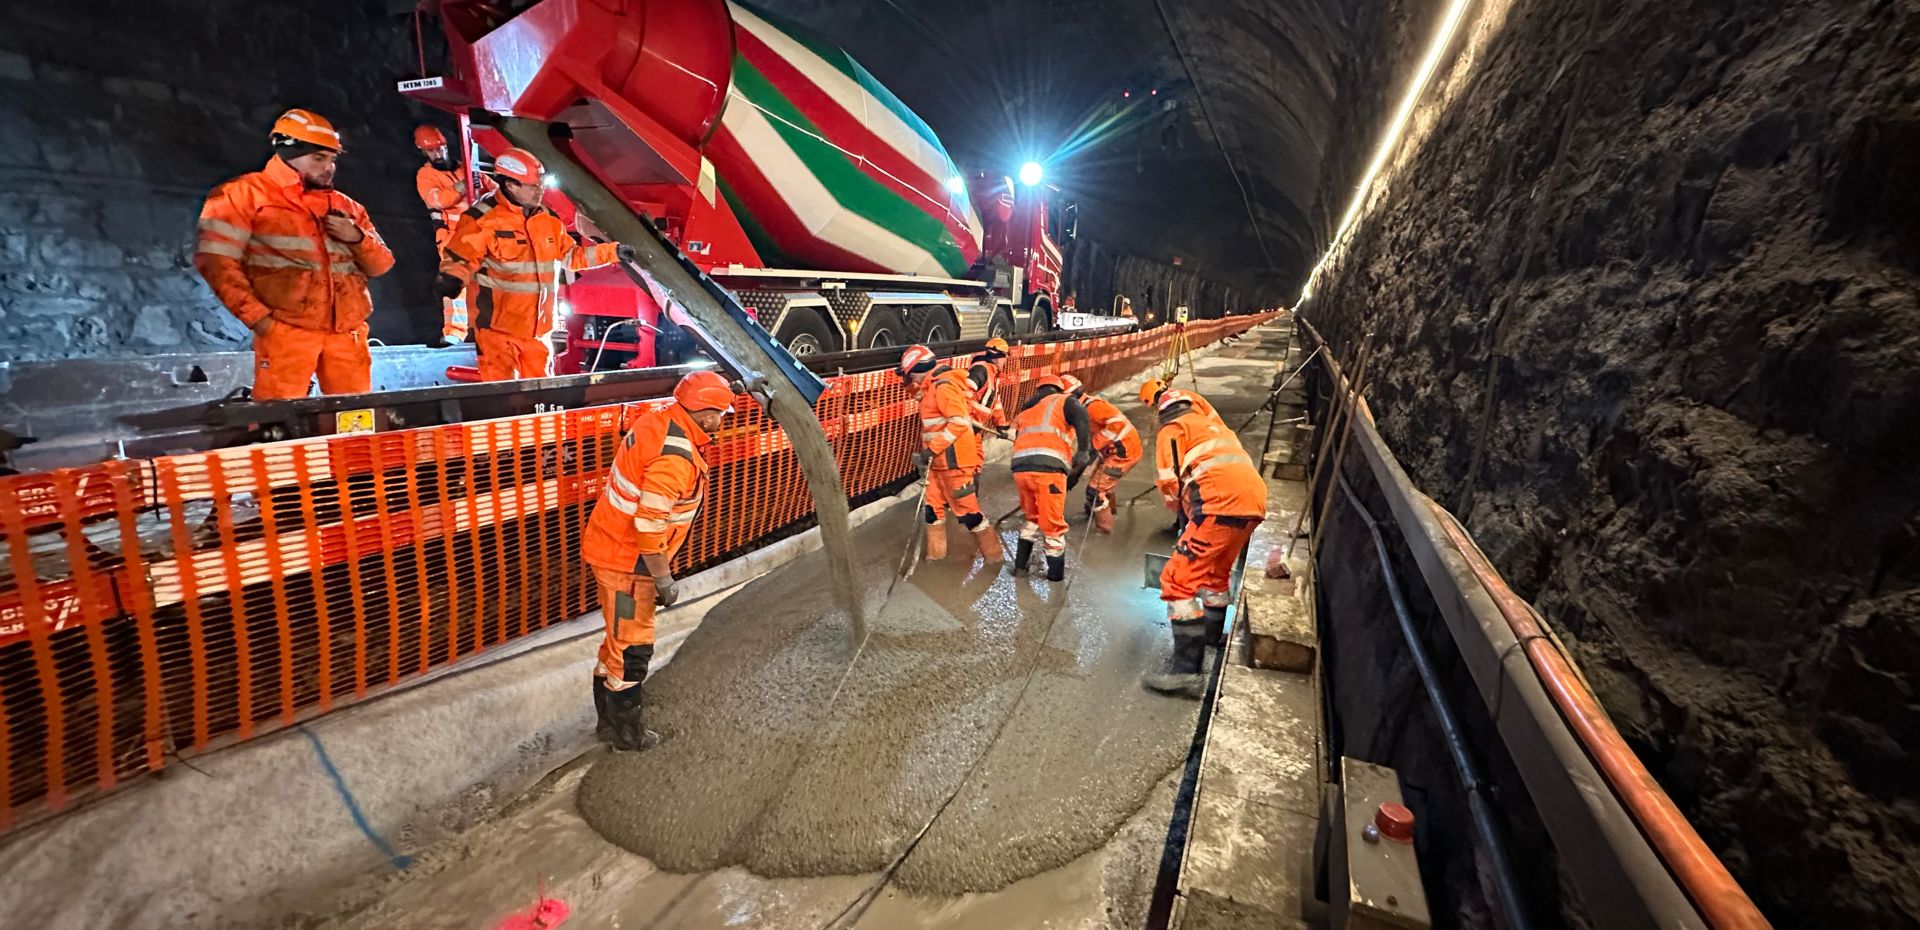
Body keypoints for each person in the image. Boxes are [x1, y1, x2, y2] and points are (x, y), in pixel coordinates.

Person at [579, 370, 735, 750]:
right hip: (629, 563)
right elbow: (649, 525)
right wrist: (663, 579)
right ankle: (627, 735)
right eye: (722, 413)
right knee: (633, 649)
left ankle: (606, 722)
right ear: (708, 416)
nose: (723, 421)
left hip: (610, 545)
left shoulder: (659, 421)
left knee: (617, 641)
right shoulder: (676, 459)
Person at [194, 108, 393, 401]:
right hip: (287, 331)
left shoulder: (347, 207)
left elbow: (381, 265)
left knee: (355, 421)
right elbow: (216, 262)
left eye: (332, 159)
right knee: (280, 421)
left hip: (347, 332)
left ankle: (347, 449)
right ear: (288, 153)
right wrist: (261, 321)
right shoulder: (241, 195)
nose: (329, 168)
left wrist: (356, 237)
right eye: (318, 158)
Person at [435, 147, 627, 380]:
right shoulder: (482, 220)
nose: (541, 191)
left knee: (539, 400)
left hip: (538, 333)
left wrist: (614, 252)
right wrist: (452, 278)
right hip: (497, 333)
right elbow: (460, 258)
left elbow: (572, 257)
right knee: (502, 398)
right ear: (510, 184)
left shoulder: (548, 220)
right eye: (534, 186)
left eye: (541, 184)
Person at [1142, 389, 1267, 698]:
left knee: (1177, 581)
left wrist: (1180, 516)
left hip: (1218, 505)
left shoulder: (1172, 431)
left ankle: (1186, 673)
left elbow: (1169, 485)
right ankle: (1211, 638)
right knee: (1215, 575)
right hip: (1253, 502)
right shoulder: (1214, 426)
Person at [901, 344, 1005, 564]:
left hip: (954, 462)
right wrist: (908, 382)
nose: (909, 379)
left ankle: (994, 558)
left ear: (916, 371)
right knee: (932, 512)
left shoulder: (944, 387)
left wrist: (930, 450)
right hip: (938, 464)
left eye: (909, 375)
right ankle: (935, 558)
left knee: (969, 514)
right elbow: (918, 395)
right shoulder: (930, 389)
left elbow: (958, 423)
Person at [412, 124, 494, 344]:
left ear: (445, 146)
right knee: (455, 288)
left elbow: (493, 190)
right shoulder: (426, 175)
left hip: (481, 237)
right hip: (452, 239)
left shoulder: (467, 169)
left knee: (489, 283)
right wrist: (462, 186)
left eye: (439, 149)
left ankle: (488, 329)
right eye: (431, 151)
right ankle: (454, 333)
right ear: (423, 152)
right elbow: (437, 200)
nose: (436, 154)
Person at [1009, 374, 1092, 581]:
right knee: (1053, 526)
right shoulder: (1064, 401)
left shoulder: (1027, 410)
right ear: (1059, 389)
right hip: (1049, 472)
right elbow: (1082, 417)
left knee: (1032, 518)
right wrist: (1083, 451)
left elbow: (1013, 435)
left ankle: (1020, 567)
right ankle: (1055, 577)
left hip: (1021, 471)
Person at [1061, 374, 1141, 534]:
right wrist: (1076, 473)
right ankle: (1103, 512)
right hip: (1114, 451)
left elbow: (1116, 425)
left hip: (1122, 453)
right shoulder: (1082, 410)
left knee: (1095, 491)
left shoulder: (1093, 407)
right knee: (1103, 483)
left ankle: (1105, 530)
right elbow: (1088, 449)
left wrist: (1095, 444)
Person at [966, 337, 1011, 439]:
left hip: (974, 429)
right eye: (1005, 357)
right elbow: (964, 395)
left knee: (977, 455)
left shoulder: (993, 374)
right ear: (998, 356)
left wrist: (1001, 425)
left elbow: (996, 403)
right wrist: (965, 418)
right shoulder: (981, 370)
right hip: (965, 427)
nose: (1005, 361)